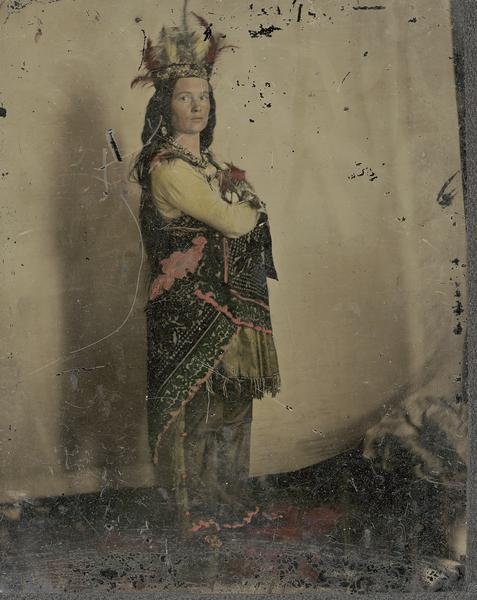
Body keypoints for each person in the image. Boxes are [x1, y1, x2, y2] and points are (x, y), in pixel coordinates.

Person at [131, 4, 280, 532]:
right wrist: (250, 208)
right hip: (188, 309)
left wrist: (245, 208)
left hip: (233, 305)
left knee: (234, 405)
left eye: (203, 97)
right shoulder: (169, 169)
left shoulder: (213, 163)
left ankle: (227, 504)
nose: (195, 106)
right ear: (164, 104)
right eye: (183, 97)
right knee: (194, 412)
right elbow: (236, 220)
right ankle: (189, 515)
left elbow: (240, 211)